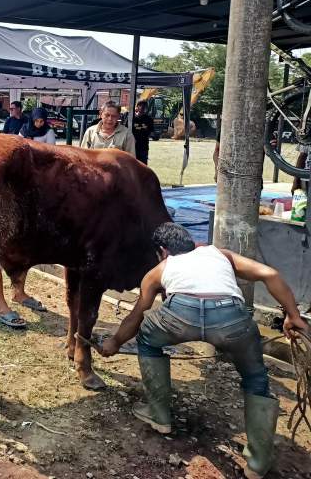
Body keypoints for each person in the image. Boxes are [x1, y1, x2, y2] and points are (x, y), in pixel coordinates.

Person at [100, 223, 308, 479]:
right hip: (231, 320)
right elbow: (270, 274)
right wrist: (293, 316)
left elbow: (134, 317)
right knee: (256, 378)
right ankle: (257, 463)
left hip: (179, 317)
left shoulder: (160, 269)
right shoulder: (221, 255)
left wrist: (114, 343)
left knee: (147, 338)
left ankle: (160, 416)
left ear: (163, 251)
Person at [132, 100, 154, 165]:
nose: (142, 108)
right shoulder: (131, 117)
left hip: (143, 146)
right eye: (140, 105)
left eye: (144, 106)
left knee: (142, 164)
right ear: (137, 106)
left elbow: (151, 131)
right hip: (132, 144)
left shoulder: (149, 119)